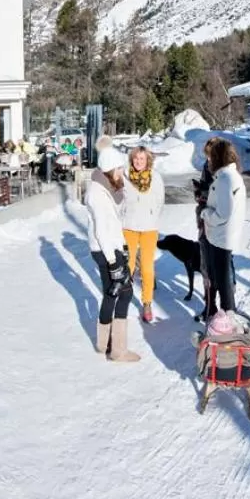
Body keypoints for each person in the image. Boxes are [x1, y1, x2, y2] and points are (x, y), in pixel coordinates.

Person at [84, 140, 141, 362]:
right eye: (119, 169)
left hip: (110, 247)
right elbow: (101, 230)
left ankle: (103, 343)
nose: (122, 172)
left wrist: (124, 248)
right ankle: (117, 350)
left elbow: (113, 224)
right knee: (124, 292)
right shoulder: (97, 195)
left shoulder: (105, 188)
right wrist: (114, 262)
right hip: (104, 249)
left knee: (112, 292)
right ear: (109, 170)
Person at [119, 145, 166, 323]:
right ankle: (123, 298)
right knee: (128, 265)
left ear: (148, 160)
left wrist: (152, 215)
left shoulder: (156, 178)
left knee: (146, 267)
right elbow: (118, 198)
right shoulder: (124, 176)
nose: (139, 162)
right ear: (132, 159)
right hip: (128, 226)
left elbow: (160, 201)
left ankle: (147, 303)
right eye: (136, 159)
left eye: (142, 159)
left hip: (149, 227)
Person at [200, 138, 246, 319]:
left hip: (221, 236)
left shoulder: (226, 178)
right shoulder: (227, 176)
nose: (209, 161)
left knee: (223, 281)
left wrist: (205, 214)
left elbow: (224, 213)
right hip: (222, 235)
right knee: (220, 278)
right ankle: (225, 316)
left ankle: (228, 318)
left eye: (211, 157)